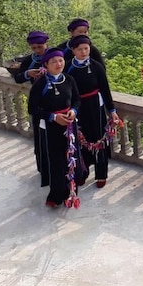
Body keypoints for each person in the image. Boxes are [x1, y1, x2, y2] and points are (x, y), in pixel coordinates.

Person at [28, 48, 84, 208]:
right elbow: (32, 109)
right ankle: (56, 195)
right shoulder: (40, 84)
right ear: (46, 64)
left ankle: (72, 192)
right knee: (56, 161)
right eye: (54, 62)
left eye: (60, 60)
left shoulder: (69, 79)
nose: (58, 64)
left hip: (69, 125)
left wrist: (73, 111)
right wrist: (53, 117)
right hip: (51, 128)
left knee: (71, 157)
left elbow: (77, 100)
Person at [66, 34, 119, 188]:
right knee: (80, 139)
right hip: (77, 108)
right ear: (73, 50)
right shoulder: (68, 67)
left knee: (99, 139)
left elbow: (105, 90)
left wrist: (112, 110)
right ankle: (83, 171)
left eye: (86, 48)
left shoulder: (97, 67)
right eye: (80, 49)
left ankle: (101, 174)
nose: (83, 52)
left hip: (96, 106)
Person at [10, 30, 51, 184]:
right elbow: (18, 77)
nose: (37, 50)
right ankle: (43, 168)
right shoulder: (29, 60)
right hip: (38, 102)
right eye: (34, 48)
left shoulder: (55, 57)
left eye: (40, 47)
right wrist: (28, 74)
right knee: (40, 136)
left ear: (46, 44)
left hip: (57, 101)